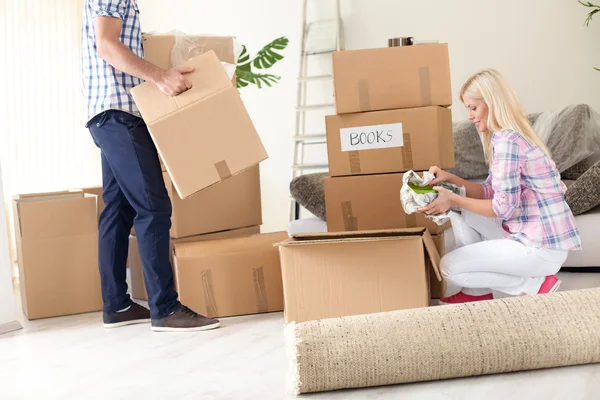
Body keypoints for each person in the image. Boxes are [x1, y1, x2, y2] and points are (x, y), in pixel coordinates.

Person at [81, 0, 220, 331]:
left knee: (118, 209)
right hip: (118, 113)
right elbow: (107, 45)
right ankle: (166, 308)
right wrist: (160, 77)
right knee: (153, 207)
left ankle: (116, 306)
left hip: (107, 114)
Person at [420, 69, 582, 305]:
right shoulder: (506, 138)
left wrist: (453, 198)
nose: (469, 116)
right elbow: (489, 191)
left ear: (492, 103)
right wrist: (451, 180)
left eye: (473, 108)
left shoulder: (508, 142)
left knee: (449, 267)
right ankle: (476, 293)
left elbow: (501, 209)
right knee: (459, 207)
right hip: (534, 237)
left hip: (539, 247)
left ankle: (537, 285)